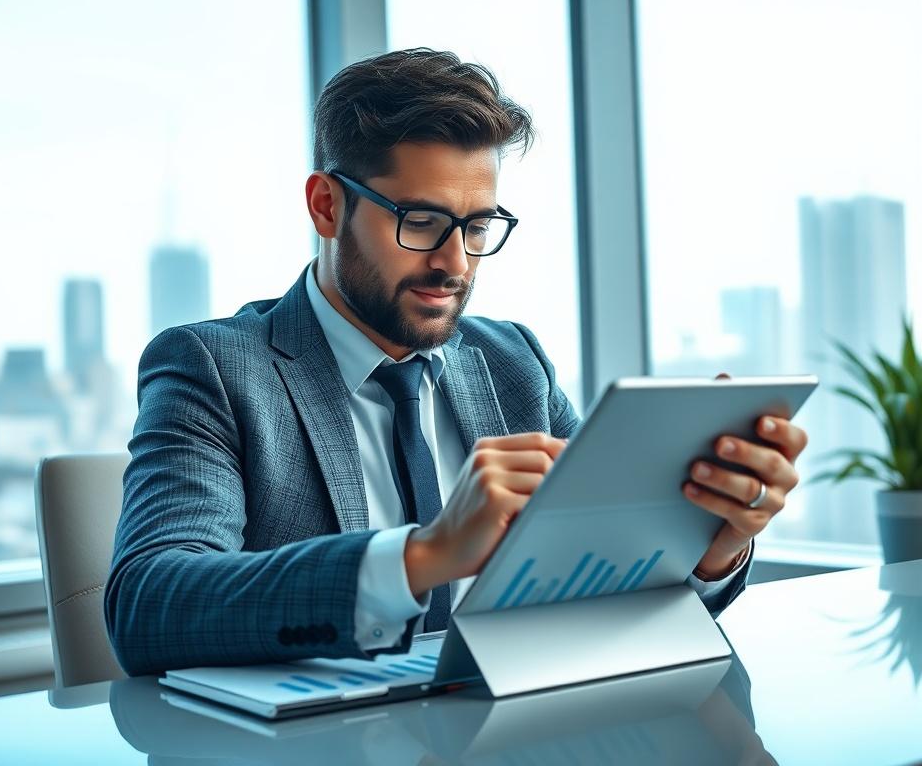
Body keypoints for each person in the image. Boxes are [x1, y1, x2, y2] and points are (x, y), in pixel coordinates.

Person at [104, 48, 808, 676]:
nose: (454, 262)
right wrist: (425, 554)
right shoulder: (216, 369)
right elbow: (148, 604)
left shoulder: (513, 362)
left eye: (477, 227)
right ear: (326, 206)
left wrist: (713, 543)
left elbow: (602, 592)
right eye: (420, 221)